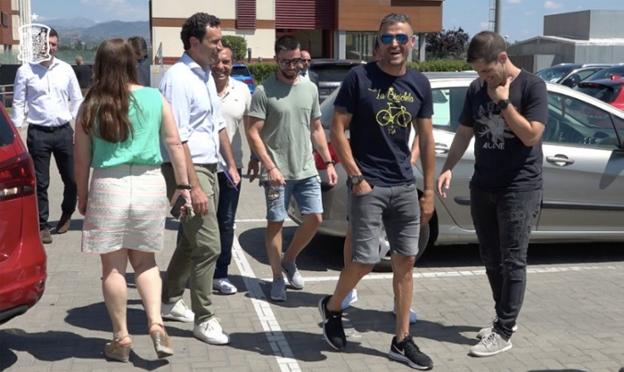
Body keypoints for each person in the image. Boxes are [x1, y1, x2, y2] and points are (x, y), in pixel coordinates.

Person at [318, 13, 435, 370]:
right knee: (365, 259)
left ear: (412, 42)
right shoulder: (360, 77)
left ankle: (401, 341)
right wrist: (356, 176)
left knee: (406, 261)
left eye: (402, 38)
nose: (395, 44)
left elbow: (427, 139)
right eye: (388, 38)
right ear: (378, 43)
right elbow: (337, 130)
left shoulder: (419, 83)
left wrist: (428, 189)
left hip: (404, 184)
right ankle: (333, 307)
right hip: (368, 183)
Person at [74, 38, 190, 362]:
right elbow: (175, 143)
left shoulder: (90, 104)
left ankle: (121, 337)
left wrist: (82, 195)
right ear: (132, 62)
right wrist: (183, 185)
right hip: (149, 183)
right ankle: (155, 324)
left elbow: (81, 159)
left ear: (99, 64)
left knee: (112, 267)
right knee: (145, 262)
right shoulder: (155, 97)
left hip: (108, 185)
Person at [436, 31, 547, 357]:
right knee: (491, 258)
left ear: (502, 58)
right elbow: (465, 133)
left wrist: (503, 102)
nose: (482, 78)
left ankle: (504, 330)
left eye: (486, 71)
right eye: (478, 73)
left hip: (519, 187)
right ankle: (504, 318)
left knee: (513, 261)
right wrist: (448, 166)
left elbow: (530, 137)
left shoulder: (532, 87)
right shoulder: (475, 89)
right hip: (483, 184)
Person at [158, 12, 240, 345]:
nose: (221, 48)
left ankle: (168, 300)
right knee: (209, 245)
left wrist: (230, 163)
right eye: (215, 41)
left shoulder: (205, 74)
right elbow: (178, 138)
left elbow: (216, 124)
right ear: (194, 43)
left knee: (190, 241)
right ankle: (204, 318)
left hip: (210, 167)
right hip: (187, 170)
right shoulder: (178, 78)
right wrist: (189, 185)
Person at [246, 35, 337, 302]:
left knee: (315, 218)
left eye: (295, 60)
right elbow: (252, 131)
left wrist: (328, 161)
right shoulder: (264, 91)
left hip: (306, 167)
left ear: (301, 58)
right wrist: (269, 166)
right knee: (275, 223)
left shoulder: (309, 89)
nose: (291, 65)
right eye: (285, 61)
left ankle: (289, 260)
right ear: (276, 59)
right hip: (277, 172)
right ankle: (276, 278)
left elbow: (317, 128)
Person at [11, 28, 83, 244]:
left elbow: (77, 99)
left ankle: (66, 214)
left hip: (63, 132)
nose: (51, 48)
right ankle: (42, 225)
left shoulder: (66, 69)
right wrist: (17, 133)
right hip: (38, 133)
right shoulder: (25, 71)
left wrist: (75, 125)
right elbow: (18, 103)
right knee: (40, 182)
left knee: (72, 179)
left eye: (54, 44)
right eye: (47, 44)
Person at [210, 45, 252, 295]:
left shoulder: (242, 90)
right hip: (200, 167)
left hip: (231, 169)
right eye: (216, 60)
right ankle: (192, 270)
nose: (220, 66)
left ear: (232, 63)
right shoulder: (198, 86)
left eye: (226, 62)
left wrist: (257, 156)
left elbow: (251, 127)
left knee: (226, 222)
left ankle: (220, 273)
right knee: (195, 223)